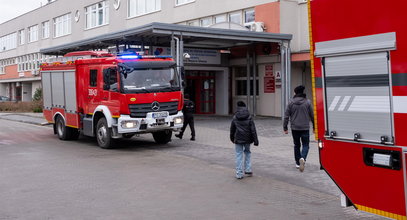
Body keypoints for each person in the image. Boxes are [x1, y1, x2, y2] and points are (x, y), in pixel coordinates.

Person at [283, 85, 314, 172]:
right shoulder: (307, 102)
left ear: (296, 92)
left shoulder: (291, 103)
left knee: (297, 145)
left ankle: (297, 163)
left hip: (295, 128)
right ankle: (303, 158)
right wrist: (315, 126)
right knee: (306, 145)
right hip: (305, 128)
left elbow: (286, 116)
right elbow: (312, 115)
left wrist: (285, 127)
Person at [230, 101, 259, 179]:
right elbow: (253, 129)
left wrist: (232, 138)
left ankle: (239, 174)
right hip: (247, 139)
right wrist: (256, 140)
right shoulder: (249, 116)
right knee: (247, 152)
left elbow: (232, 129)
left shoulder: (235, 117)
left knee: (239, 155)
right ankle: (248, 169)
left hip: (238, 138)